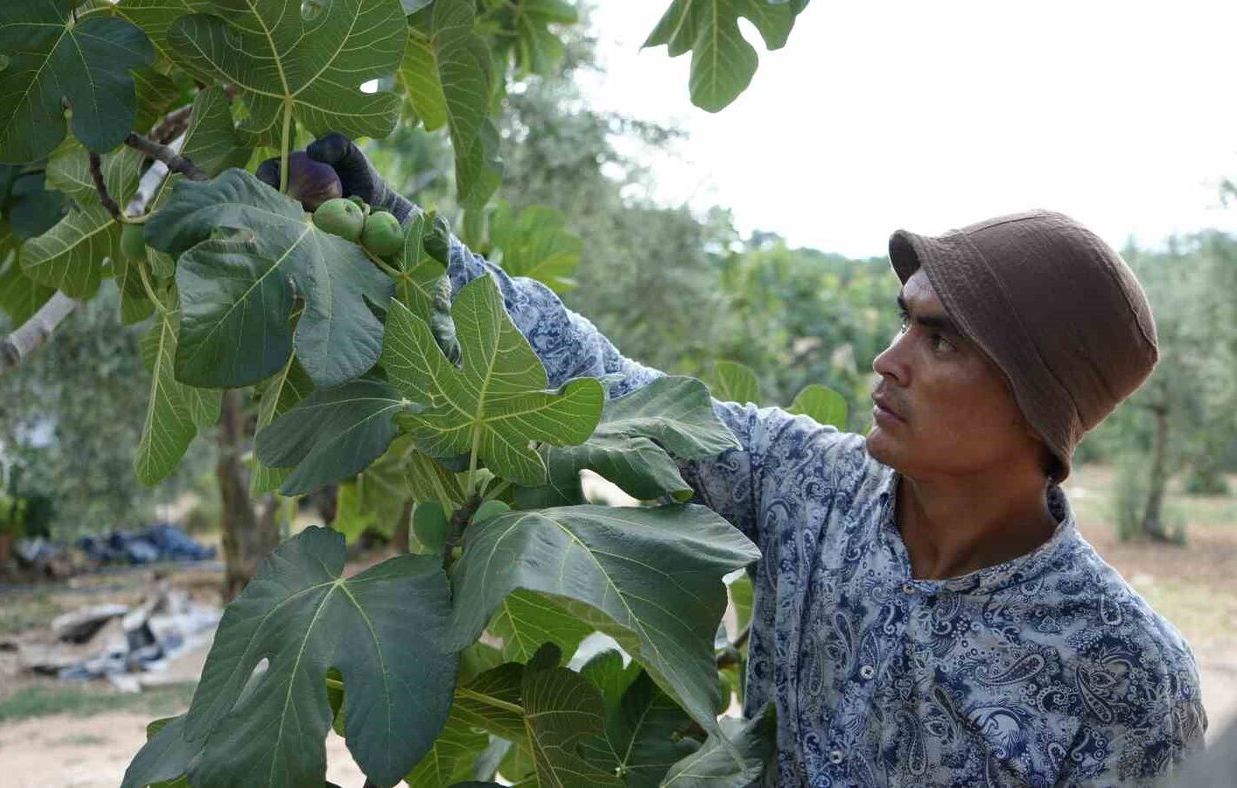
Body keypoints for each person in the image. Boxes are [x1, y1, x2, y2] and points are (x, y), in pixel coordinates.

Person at [296, 133, 1208, 786]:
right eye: (904, 321)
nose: (888, 361)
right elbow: (607, 387)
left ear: (1036, 399)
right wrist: (404, 239)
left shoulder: (1126, 679)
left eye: (940, 341)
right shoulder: (806, 482)